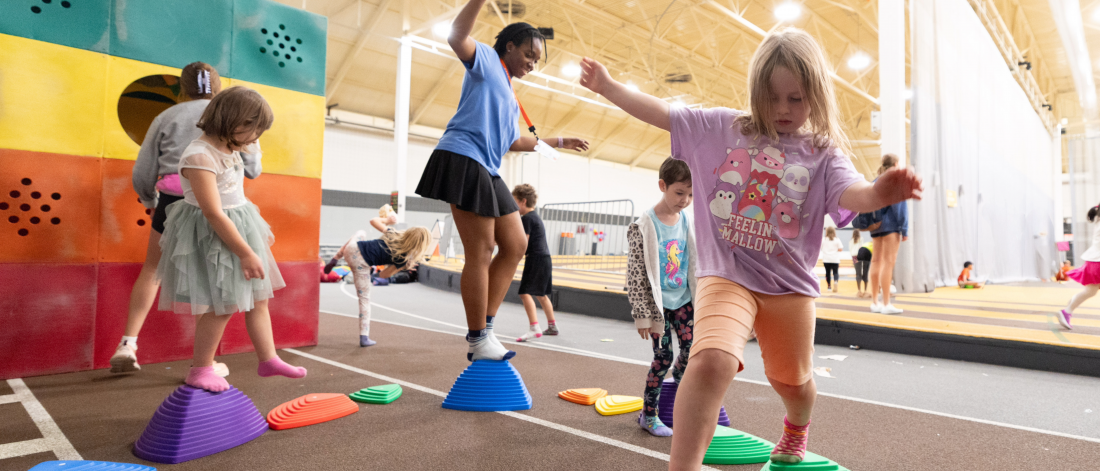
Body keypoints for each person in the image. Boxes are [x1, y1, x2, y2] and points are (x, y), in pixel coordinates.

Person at [580, 27, 922, 467]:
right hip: (728, 275)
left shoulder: (822, 152)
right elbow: (665, 112)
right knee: (710, 362)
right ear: (755, 91)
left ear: (815, 95)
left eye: (795, 99)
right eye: (772, 97)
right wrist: (608, 86)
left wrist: (880, 192)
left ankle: (796, 428)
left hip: (790, 287)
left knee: (792, 383)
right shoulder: (723, 127)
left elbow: (854, 194)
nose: (782, 109)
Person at [414, 0, 589, 362]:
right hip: (463, 156)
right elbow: (456, 35)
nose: (532, 63)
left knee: (516, 244)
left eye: (536, 60)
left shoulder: (509, 91)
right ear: (509, 46)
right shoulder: (484, 60)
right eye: (528, 54)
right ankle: (478, 339)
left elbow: (512, 141)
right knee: (481, 251)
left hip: (489, 167)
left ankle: (487, 329)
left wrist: (558, 141)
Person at [111, 62, 262, 375]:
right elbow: (253, 168)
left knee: (152, 269)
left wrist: (150, 200)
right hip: (221, 206)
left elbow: (143, 171)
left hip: (172, 202)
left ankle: (128, 343)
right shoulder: (237, 118)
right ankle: (203, 362)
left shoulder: (166, 116)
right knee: (209, 282)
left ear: (182, 89)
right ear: (218, 89)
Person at [157, 87, 306, 392]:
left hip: (240, 221)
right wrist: (245, 252)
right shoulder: (199, 155)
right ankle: (200, 369)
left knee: (259, 298)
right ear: (233, 122)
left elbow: (250, 167)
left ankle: (268, 359)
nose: (256, 137)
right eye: (255, 129)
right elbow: (212, 212)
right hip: (214, 233)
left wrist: (251, 139)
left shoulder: (232, 146)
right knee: (221, 305)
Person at [626, 157, 697, 437]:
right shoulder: (643, 225)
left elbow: (694, 262)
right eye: (679, 193)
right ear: (662, 186)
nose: (685, 200)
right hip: (658, 307)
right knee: (663, 356)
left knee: (693, 351)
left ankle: (680, 380)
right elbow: (636, 275)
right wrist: (642, 314)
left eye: (690, 194)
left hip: (684, 300)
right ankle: (649, 414)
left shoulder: (687, 221)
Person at [325, 218, 432, 346]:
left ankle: (336, 258)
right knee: (364, 299)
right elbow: (384, 275)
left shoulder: (393, 233)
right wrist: (403, 267)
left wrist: (387, 220)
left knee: (361, 233)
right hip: (361, 264)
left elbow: (372, 221)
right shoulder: (402, 258)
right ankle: (364, 338)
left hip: (351, 249)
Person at [511, 184, 559, 342]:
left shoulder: (526, 219)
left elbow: (522, 243)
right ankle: (552, 326)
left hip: (536, 258)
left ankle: (534, 327)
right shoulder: (535, 217)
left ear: (523, 201)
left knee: (524, 292)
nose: (513, 205)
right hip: (545, 258)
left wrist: (511, 259)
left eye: (514, 201)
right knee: (541, 294)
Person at [868, 153, 908, 315]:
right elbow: (899, 207)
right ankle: (886, 304)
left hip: (875, 226)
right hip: (891, 226)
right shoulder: (895, 181)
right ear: (896, 164)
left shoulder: (875, 181)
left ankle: (875, 302)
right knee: (888, 263)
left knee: (876, 261)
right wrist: (904, 228)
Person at [1056, 205, 1100, 330]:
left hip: (1094, 261)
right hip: (1097, 261)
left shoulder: (1098, 218)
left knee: (1090, 291)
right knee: (1090, 291)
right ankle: (1067, 310)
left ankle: (1068, 310)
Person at [820, 227, 843, 293]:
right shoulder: (837, 240)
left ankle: (829, 286)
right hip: (835, 259)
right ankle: (835, 281)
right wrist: (835, 250)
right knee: (835, 272)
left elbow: (820, 248)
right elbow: (840, 249)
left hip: (826, 259)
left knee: (827, 273)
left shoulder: (823, 240)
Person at [851, 230, 871, 297]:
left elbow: (851, 250)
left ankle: (859, 291)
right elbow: (862, 247)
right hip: (862, 255)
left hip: (854, 256)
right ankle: (865, 291)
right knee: (865, 272)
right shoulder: (861, 239)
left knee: (858, 273)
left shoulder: (851, 241)